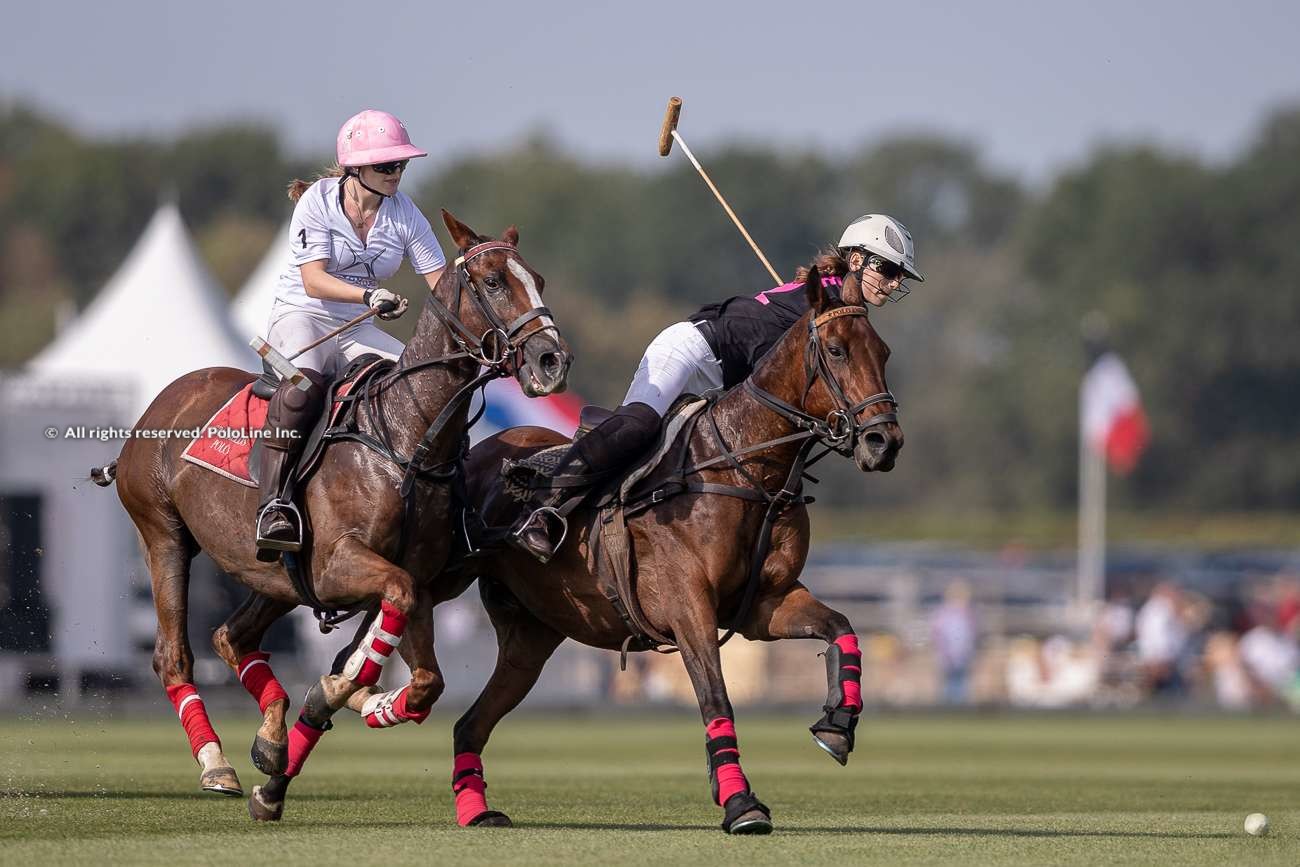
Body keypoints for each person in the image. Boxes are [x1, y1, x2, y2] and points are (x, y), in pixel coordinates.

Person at [510, 213, 923, 563]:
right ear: (855, 259)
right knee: (637, 426)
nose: (892, 283)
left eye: (898, 276)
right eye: (887, 270)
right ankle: (545, 507)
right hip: (694, 349)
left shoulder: (841, 312)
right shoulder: (827, 301)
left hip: (726, 382)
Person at [254, 109, 447, 560]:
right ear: (356, 168)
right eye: (386, 166)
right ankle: (274, 504)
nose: (396, 174)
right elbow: (313, 281)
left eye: (401, 165)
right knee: (303, 388)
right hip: (303, 318)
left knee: (414, 385)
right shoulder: (317, 202)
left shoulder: (405, 214)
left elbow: (440, 282)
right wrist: (370, 297)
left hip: (357, 330)